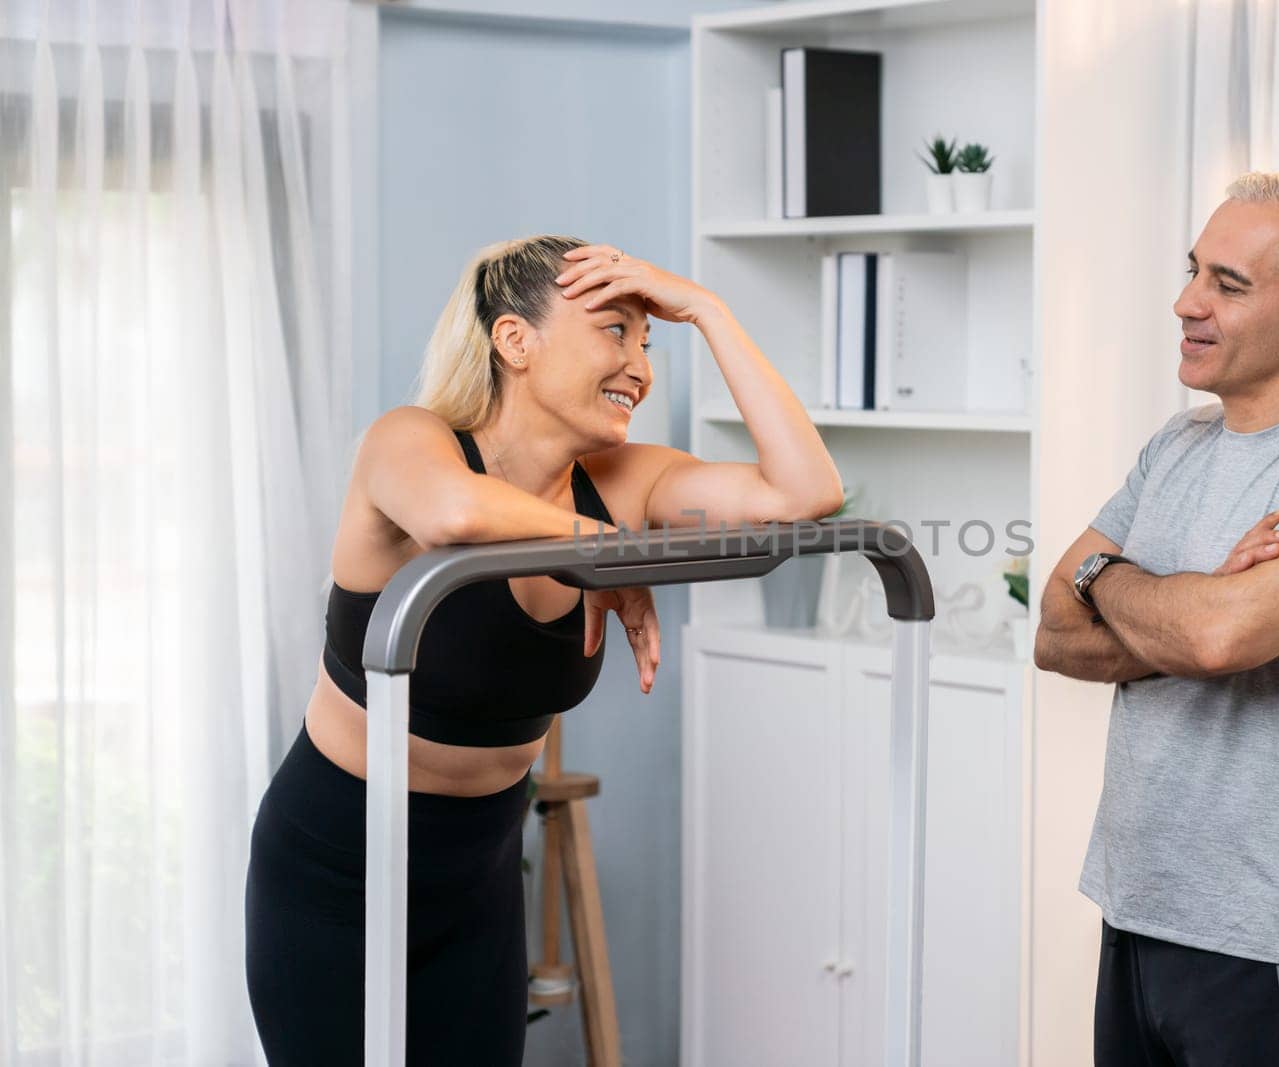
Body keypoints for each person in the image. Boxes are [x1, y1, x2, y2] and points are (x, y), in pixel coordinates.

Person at [244, 236, 842, 1064]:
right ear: (515, 341)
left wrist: (711, 309)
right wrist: (603, 546)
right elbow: (453, 515)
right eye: (614, 331)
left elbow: (806, 492)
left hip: (482, 879)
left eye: (648, 339)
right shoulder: (410, 439)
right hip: (336, 872)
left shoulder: (625, 477)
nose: (640, 364)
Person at [1034, 174, 1279, 1066]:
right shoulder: (1177, 445)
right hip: (1135, 911)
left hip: (1270, 936)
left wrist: (1109, 573)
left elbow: (1219, 637)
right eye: (1193, 272)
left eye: (1227, 283)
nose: (1186, 302)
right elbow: (1052, 633)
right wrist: (1190, 601)